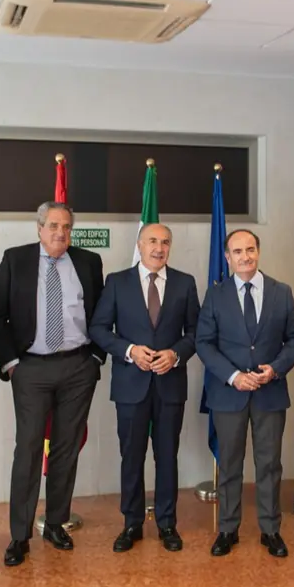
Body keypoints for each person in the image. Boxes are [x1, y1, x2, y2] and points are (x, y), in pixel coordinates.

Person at [0, 201, 105, 567]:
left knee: (65, 449)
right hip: (32, 369)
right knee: (28, 451)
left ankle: (55, 523)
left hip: (77, 367)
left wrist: (97, 357)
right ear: (39, 228)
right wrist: (12, 364)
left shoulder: (88, 262)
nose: (60, 233)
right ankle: (19, 535)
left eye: (66, 227)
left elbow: (102, 312)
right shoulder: (15, 259)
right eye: (53, 226)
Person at [90, 223, 200, 553]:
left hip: (169, 385)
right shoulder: (117, 282)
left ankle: (167, 523)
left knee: (167, 456)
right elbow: (98, 328)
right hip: (130, 385)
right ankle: (132, 523)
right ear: (139, 243)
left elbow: (196, 333)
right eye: (152, 240)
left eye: (165, 242)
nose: (159, 247)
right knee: (132, 456)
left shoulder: (185, 283)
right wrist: (128, 351)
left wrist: (176, 354)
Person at [196, 229, 294, 558]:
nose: (245, 256)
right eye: (238, 251)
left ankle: (270, 530)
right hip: (229, 394)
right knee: (229, 465)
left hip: (269, 394)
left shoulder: (281, 292)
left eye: (251, 249)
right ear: (227, 257)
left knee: (269, 464)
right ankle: (228, 529)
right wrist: (232, 376)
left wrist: (276, 368)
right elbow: (204, 343)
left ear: (258, 251)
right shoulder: (215, 295)